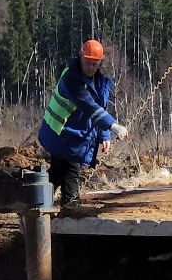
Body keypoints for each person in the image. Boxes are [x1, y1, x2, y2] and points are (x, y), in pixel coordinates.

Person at [37, 39, 128, 204]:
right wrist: (113, 125)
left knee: (57, 174)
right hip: (63, 134)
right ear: (80, 57)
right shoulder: (71, 79)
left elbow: (101, 105)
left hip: (74, 135)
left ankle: (36, 203)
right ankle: (70, 208)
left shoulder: (98, 80)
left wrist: (104, 135)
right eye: (88, 63)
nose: (91, 68)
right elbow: (89, 106)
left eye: (95, 64)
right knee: (71, 172)